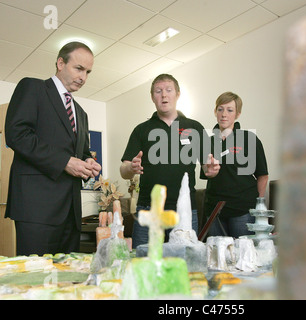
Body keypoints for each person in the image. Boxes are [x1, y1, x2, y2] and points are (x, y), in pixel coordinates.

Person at [5, 41, 101, 256]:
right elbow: (16, 135)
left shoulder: (81, 113)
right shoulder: (33, 87)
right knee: (35, 279)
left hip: (71, 214)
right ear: (60, 63)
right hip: (36, 210)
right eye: (78, 68)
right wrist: (65, 162)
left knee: (68, 278)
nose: (83, 77)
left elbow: (81, 152)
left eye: (88, 72)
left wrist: (88, 162)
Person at [120, 74, 219, 248]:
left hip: (184, 211)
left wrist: (211, 169)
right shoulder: (141, 130)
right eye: (158, 91)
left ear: (177, 94)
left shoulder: (194, 127)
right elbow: (123, 169)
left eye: (168, 90)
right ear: (152, 97)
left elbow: (207, 164)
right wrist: (131, 167)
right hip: (148, 210)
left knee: (186, 264)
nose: (164, 95)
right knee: (143, 263)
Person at [200, 92, 268, 238]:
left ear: (237, 114)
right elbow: (205, 172)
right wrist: (208, 169)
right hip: (214, 211)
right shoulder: (207, 142)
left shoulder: (249, 139)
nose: (224, 114)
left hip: (243, 210)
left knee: (242, 257)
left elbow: (263, 175)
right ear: (215, 111)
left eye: (230, 110)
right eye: (220, 109)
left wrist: (258, 207)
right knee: (217, 257)